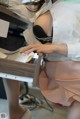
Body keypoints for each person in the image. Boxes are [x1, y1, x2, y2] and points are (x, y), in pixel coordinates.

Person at [21, 0, 80, 119]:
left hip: (73, 72)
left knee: (75, 106)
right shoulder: (46, 5)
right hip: (56, 71)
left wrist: (55, 48)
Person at [0, 0, 54, 119]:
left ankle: (14, 109)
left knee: (10, 62)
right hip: (12, 30)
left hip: (18, 31)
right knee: (9, 62)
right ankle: (14, 109)